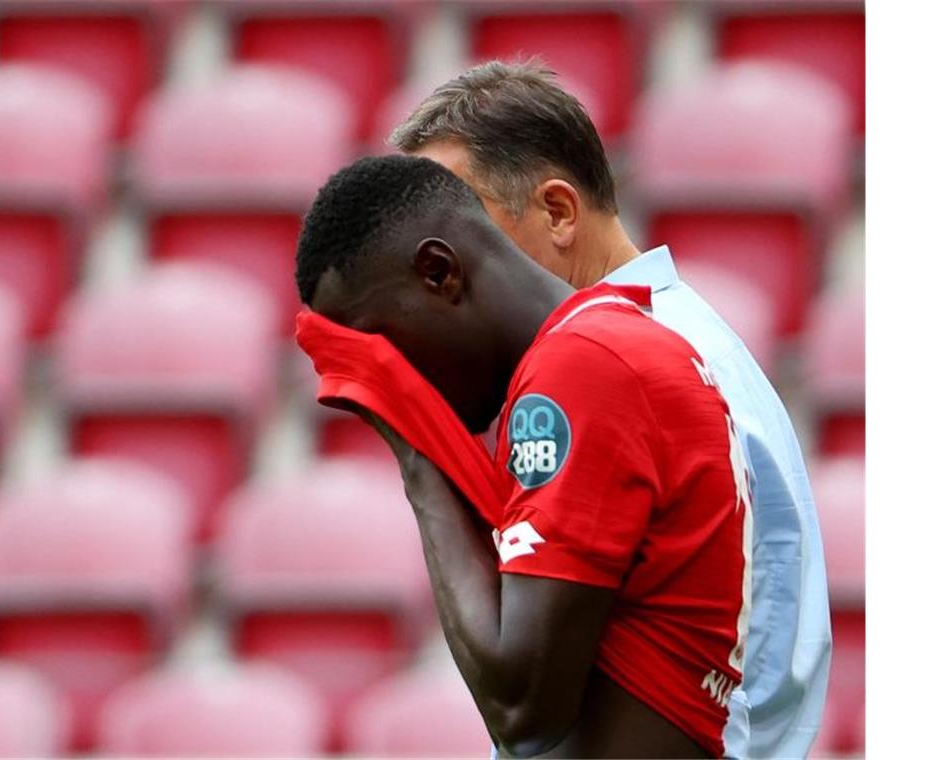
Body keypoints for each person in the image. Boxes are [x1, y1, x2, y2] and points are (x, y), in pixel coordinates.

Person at [389, 61, 831, 759]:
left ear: (559, 212)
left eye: (455, 235)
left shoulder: (606, 364)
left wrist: (417, 446)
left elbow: (526, 703)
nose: (436, 277)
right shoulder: (680, 340)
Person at [295, 154, 752, 758]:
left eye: (377, 343)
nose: (387, 373)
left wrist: (413, 446)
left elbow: (523, 706)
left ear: (438, 273)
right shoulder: (614, 343)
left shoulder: (583, 366)